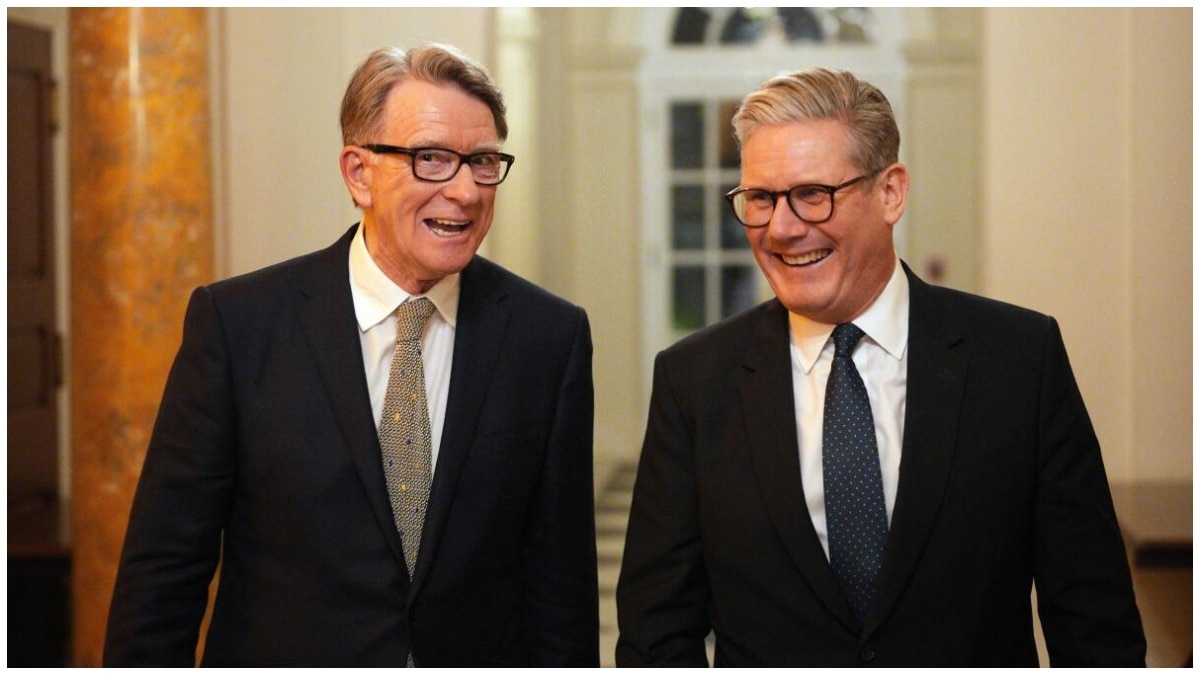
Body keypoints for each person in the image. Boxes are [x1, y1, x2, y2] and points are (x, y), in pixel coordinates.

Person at [615, 68, 1145, 666]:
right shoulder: (695, 379)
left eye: (813, 193)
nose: (783, 228)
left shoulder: (1018, 359)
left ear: (890, 192)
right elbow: (656, 630)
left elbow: (1093, 619)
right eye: (761, 199)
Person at [104, 43, 599, 667]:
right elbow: (164, 572)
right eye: (432, 159)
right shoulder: (240, 326)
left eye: (482, 162)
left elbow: (561, 590)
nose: (467, 191)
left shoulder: (546, 338)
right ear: (358, 173)